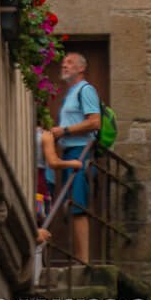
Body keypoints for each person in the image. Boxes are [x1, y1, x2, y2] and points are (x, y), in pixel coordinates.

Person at [49, 51, 102, 267]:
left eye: (69, 62)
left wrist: (65, 130)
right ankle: (79, 258)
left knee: (78, 205)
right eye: (63, 63)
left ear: (81, 68)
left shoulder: (86, 90)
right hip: (70, 152)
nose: (64, 65)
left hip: (81, 152)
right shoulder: (71, 92)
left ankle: (82, 261)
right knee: (71, 204)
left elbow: (94, 122)